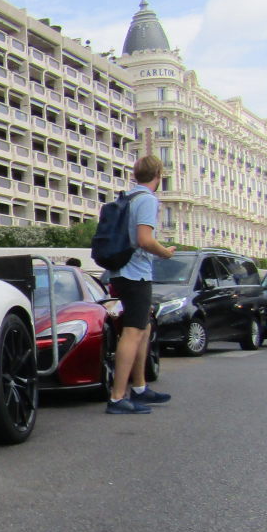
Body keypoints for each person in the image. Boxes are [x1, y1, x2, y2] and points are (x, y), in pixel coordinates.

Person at [104, 155, 175, 414]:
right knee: (133, 333)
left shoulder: (128, 197)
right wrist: (165, 252)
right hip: (136, 274)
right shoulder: (147, 200)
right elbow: (145, 239)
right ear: (159, 175)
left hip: (120, 271)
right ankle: (118, 397)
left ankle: (140, 387)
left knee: (142, 329)